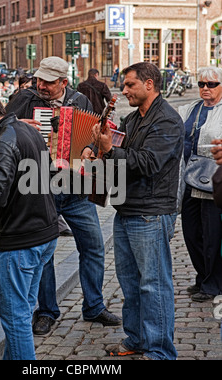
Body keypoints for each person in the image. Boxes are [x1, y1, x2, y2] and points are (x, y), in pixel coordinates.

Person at [6, 56, 121, 335]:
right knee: (45, 252)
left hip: (75, 189)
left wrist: (90, 147)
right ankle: (46, 311)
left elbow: (91, 133)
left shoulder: (80, 101)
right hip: (40, 186)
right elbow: (1, 128)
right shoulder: (25, 99)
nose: (41, 85)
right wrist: (18, 124)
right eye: (39, 80)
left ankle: (94, 305)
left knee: (93, 246)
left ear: (64, 82)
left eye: (48, 81)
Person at [83, 62, 184, 360]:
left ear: (149, 84)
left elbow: (149, 163)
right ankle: (137, 338)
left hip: (151, 212)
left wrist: (111, 151)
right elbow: (112, 142)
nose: (123, 90)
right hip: (127, 209)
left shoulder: (166, 120)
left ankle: (160, 351)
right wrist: (93, 146)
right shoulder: (132, 118)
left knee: (154, 285)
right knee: (130, 282)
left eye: (130, 85)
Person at [0, 89, 59, 360]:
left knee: (15, 318)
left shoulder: (3, 141)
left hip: (21, 239)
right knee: (23, 310)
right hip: (43, 233)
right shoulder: (27, 130)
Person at [178, 66, 222, 303]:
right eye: (202, 84)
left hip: (214, 181)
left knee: (212, 234)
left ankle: (213, 283)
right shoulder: (191, 108)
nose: (205, 88)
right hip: (189, 178)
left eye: (211, 84)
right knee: (191, 232)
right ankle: (203, 275)